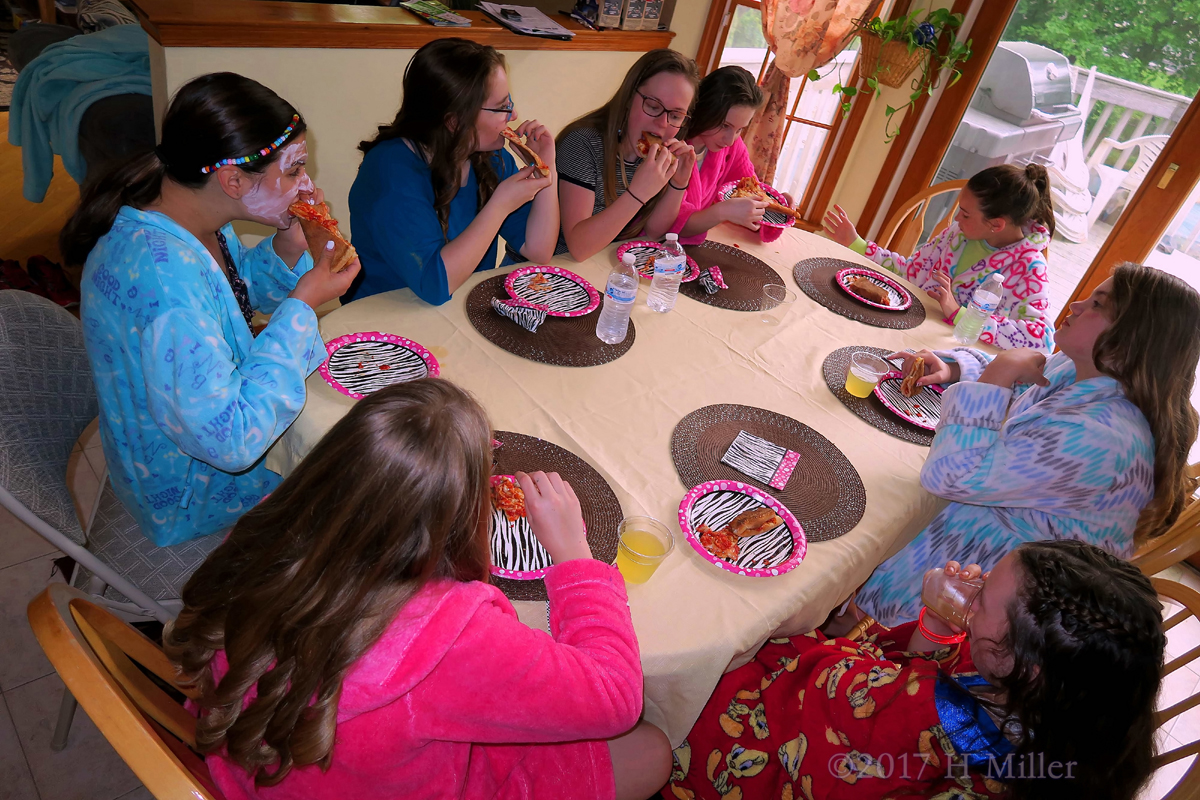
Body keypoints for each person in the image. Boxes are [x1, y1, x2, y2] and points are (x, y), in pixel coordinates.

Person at [164, 379, 672, 800]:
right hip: (371, 784)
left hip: (252, 765)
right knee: (651, 750)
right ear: (461, 517)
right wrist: (574, 557)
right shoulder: (447, 637)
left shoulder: (269, 524)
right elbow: (616, 696)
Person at [62, 72, 358, 546]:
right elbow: (233, 441)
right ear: (234, 180)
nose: (307, 184)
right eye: (295, 169)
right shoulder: (165, 286)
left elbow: (233, 296)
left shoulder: (188, 216)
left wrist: (288, 244)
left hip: (200, 434)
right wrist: (303, 305)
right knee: (364, 494)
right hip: (196, 493)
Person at [663, 540, 1165, 800]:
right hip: (846, 727)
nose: (978, 581)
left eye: (987, 594)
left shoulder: (927, 718)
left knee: (701, 646)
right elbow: (905, 680)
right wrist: (942, 627)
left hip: (773, 752)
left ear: (1024, 664)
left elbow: (814, 694)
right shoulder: (1051, 715)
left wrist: (810, 629)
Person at [855, 262, 1200, 625]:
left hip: (994, 591)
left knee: (860, 522)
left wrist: (998, 374)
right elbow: (1027, 378)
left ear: (1133, 341)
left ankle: (847, 620)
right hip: (983, 536)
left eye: (1097, 305)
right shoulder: (1086, 369)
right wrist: (957, 368)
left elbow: (950, 476)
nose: (1077, 305)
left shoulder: (1105, 436)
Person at [344, 38, 558, 304]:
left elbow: (539, 249)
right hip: (384, 318)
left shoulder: (492, 157)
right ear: (455, 121)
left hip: (459, 309)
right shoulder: (391, 171)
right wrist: (500, 205)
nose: (513, 115)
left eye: (509, 102)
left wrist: (547, 166)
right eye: (502, 106)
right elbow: (434, 286)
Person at [822, 164, 1056, 351]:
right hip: (904, 331)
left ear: (996, 224)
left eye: (965, 214)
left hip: (948, 361)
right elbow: (911, 272)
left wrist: (962, 315)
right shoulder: (957, 235)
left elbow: (1042, 340)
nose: (956, 220)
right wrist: (858, 244)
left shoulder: (1030, 267)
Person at [557, 48, 699, 261]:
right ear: (629, 97)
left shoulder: (654, 157)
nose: (662, 122)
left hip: (602, 268)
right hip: (544, 274)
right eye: (652, 105)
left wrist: (678, 184)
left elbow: (653, 232)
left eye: (676, 116)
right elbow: (578, 248)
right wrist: (637, 193)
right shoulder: (582, 143)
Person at [667, 66, 790, 245]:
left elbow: (750, 192)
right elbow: (671, 223)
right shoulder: (672, 145)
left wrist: (776, 207)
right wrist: (721, 211)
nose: (730, 140)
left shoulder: (732, 148)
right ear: (706, 110)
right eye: (725, 125)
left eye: (740, 129)